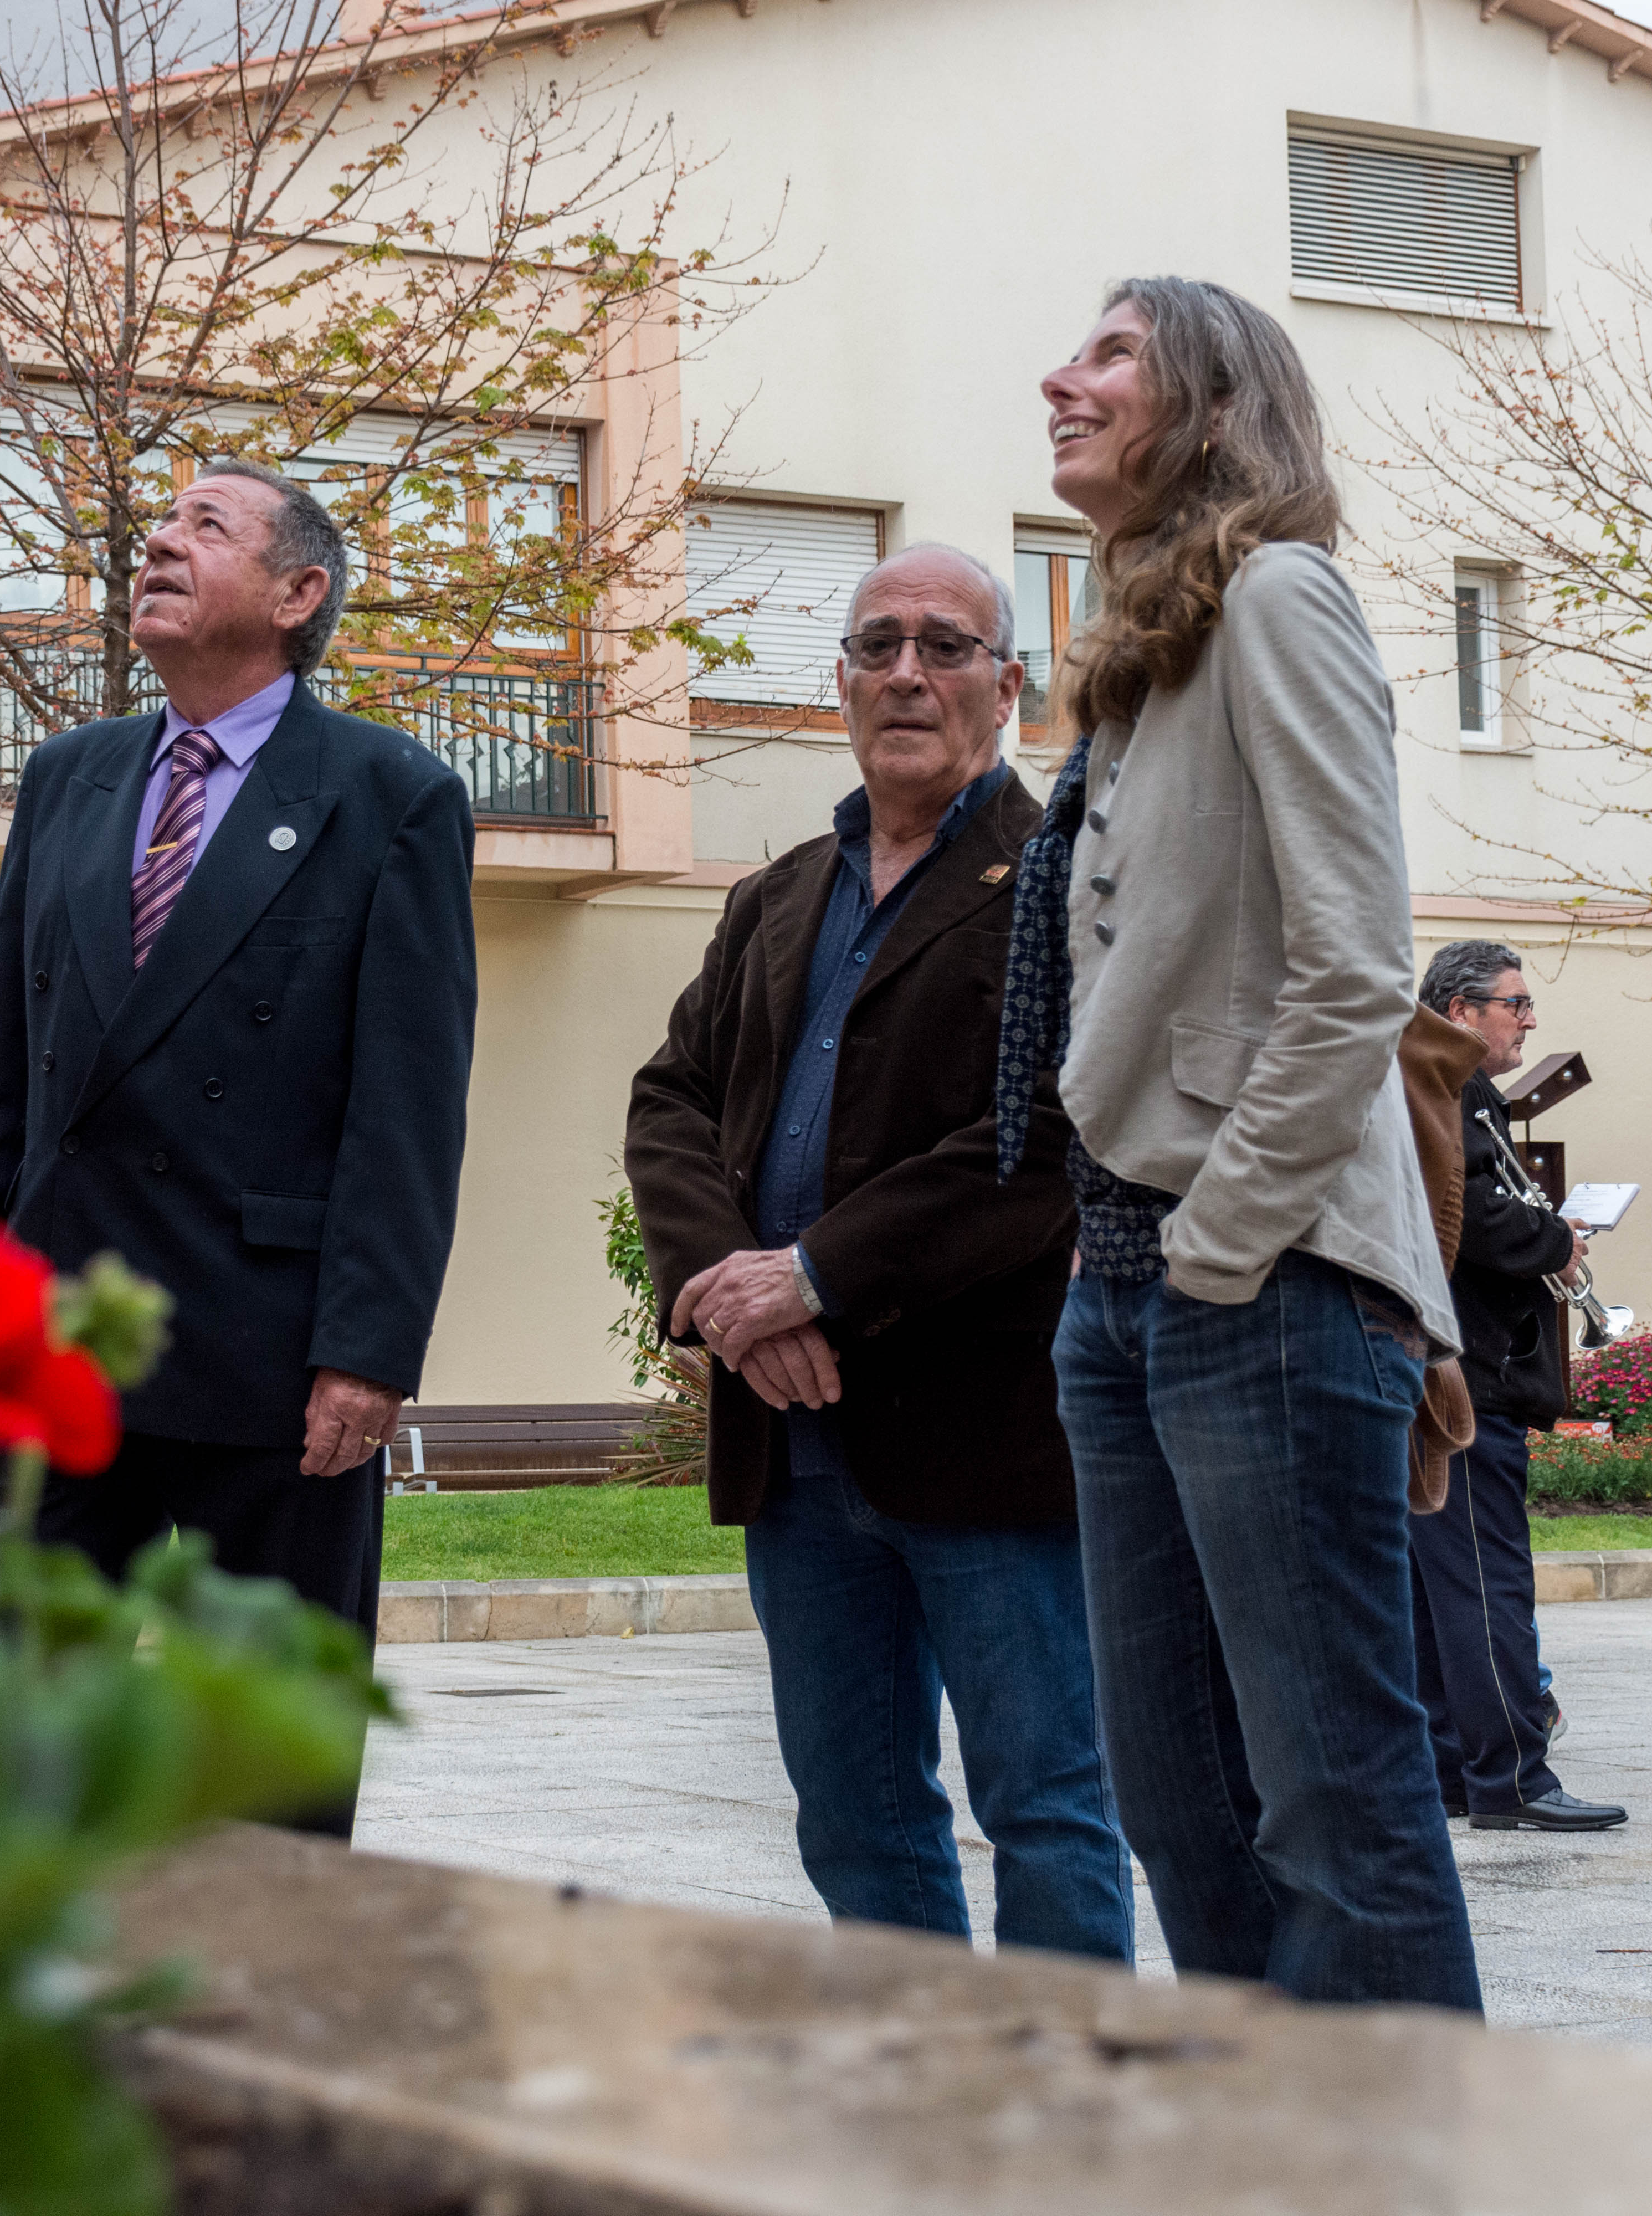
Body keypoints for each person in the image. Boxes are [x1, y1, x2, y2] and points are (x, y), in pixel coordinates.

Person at [1000, 276, 1479, 2008]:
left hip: (1257, 1286)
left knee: (1337, 1804)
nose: (1062, 373)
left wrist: (1218, 1240)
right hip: (1125, 1289)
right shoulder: (1143, 654)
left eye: (1110, 350)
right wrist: (1115, 1246)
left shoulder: (1281, 598)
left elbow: (1355, 964)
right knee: (1180, 1807)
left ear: (1213, 407)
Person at [0, 459, 477, 1834]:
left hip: (272, 1362)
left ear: (299, 595)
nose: (157, 544)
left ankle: (269, 2014)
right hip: (63, 1341)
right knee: (10, 1734)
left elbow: (407, 1102)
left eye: (204, 527)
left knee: (268, 1764)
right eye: (159, 523)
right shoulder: (67, 776)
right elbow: (2, 1072)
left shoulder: (391, 794)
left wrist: (369, 1348)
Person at [627, 545, 1133, 1963]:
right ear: (840, 681)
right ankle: (926, 2108)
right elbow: (670, 1097)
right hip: (795, 1435)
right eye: (879, 645)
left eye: (948, 645)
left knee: (1046, 1801)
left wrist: (818, 1273)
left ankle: (1057, 2115)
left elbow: (1048, 1129)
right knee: (852, 1813)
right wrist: (727, 1291)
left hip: (985, 1434)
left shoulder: (1063, 878)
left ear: (1008, 682)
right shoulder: (779, 894)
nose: (909, 673)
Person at [1410, 941, 1627, 1831]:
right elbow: (1462, 1209)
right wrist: (1553, 1242)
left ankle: (1458, 1773)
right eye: (1516, 1004)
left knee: (1438, 1593)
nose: (1529, 1021)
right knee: (1486, 1585)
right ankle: (1514, 1780)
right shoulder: (1444, 1084)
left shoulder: (1446, 1083)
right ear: (1462, 1012)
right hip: (1466, 1384)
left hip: (1454, 1370)